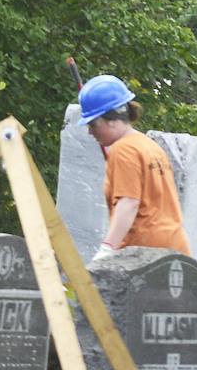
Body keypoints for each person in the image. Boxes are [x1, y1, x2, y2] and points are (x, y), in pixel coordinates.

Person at [78, 74, 191, 259]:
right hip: (175, 249)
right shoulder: (149, 146)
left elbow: (129, 203)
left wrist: (107, 248)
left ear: (112, 119)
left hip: (144, 255)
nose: (90, 132)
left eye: (93, 124)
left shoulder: (123, 150)